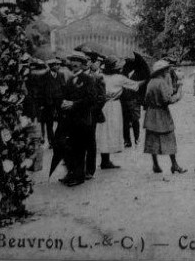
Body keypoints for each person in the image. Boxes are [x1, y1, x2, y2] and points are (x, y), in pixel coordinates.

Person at [56, 54, 105, 187]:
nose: (75, 64)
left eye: (78, 62)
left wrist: (74, 104)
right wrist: (63, 102)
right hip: (71, 118)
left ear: (82, 64)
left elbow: (91, 98)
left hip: (83, 118)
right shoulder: (69, 79)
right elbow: (63, 95)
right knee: (70, 146)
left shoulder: (88, 79)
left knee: (79, 147)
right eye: (73, 61)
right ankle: (72, 173)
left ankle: (79, 176)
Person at [96, 58, 144, 170]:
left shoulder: (100, 76)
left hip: (102, 106)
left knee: (103, 131)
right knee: (111, 130)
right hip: (113, 106)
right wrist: (148, 79)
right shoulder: (119, 78)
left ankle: (105, 160)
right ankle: (105, 161)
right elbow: (135, 85)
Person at [143, 60, 187, 174]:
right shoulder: (161, 82)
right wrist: (178, 95)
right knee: (169, 137)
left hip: (151, 114)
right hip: (162, 114)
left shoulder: (151, 82)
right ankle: (174, 165)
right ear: (161, 71)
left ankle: (155, 165)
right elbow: (167, 100)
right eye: (166, 69)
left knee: (152, 139)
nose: (168, 71)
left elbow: (146, 99)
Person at [122, 51, 151, 148]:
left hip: (135, 99)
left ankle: (136, 138)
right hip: (124, 99)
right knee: (125, 121)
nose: (127, 62)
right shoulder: (124, 72)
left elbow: (146, 80)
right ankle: (127, 140)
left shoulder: (140, 72)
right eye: (127, 60)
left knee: (135, 119)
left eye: (129, 60)